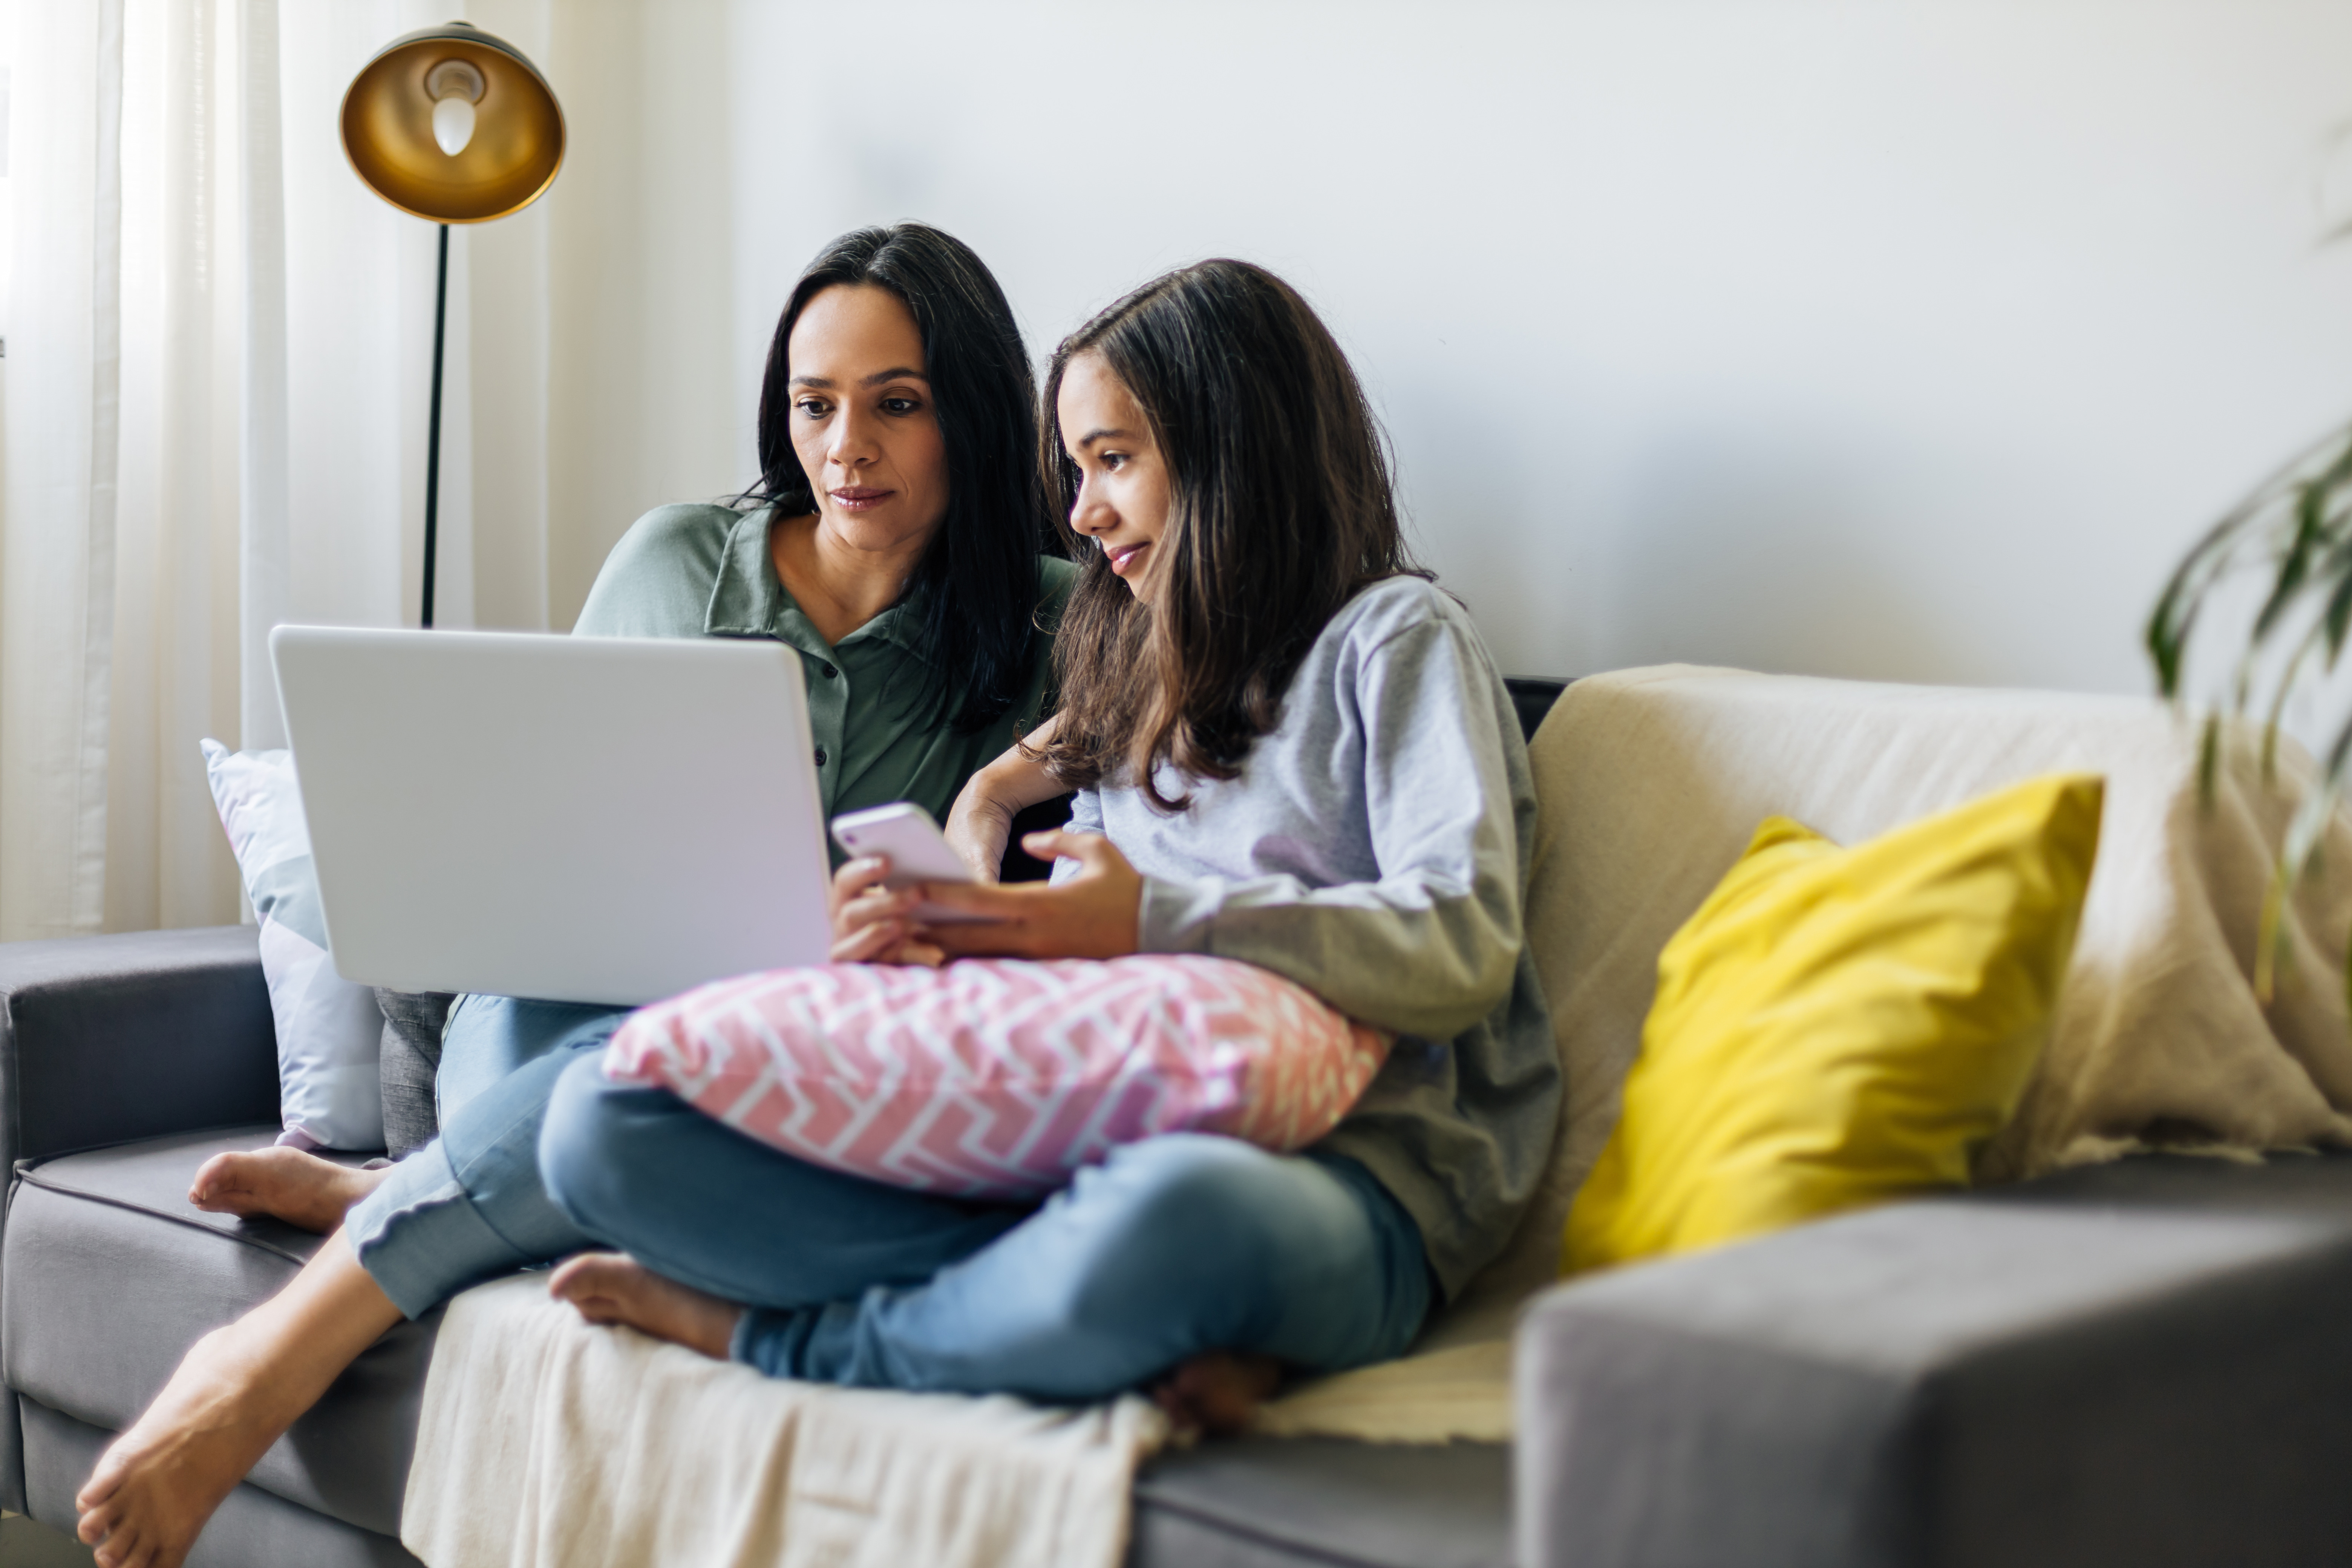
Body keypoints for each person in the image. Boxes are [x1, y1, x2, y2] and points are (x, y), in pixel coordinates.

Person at [74, 223, 1075, 1568]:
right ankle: (397, 1213)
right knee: (587, 1082)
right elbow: (545, 810)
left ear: (977, 416)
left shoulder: (1058, 629)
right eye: (815, 404)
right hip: (558, 1003)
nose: (848, 447)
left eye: (898, 405)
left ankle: (335, 1273)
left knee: (642, 1106)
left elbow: (1109, 841)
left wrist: (979, 822)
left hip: (787, 1064)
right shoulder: (674, 559)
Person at [532, 259, 1563, 1430]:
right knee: (606, 1125)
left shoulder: (1396, 640)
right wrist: (943, 938)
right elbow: (1080, 1013)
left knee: (1177, 1221)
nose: (1080, 514)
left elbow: (1463, 942)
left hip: (1350, 1181)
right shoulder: (1129, 682)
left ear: (1236, 447)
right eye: (1075, 473)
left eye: (1113, 461)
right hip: (1086, 1154)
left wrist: (1153, 921)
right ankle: (1093, 1319)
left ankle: (796, 1336)